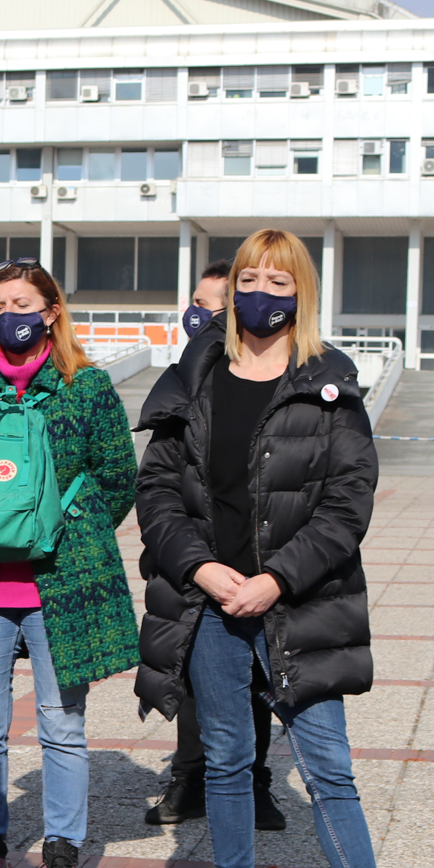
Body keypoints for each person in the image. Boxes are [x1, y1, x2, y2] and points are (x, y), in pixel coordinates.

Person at [134, 229, 434, 868]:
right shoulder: (189, 380)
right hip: (210, 606)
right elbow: (158, 494)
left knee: (329, 769)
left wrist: (275, 578)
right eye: (249, 278)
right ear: (229, 289)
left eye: (278, 278)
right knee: (228, 765)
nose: (262, 291)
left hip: (298, 606)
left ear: (301, 291)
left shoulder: (328, 385)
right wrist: (203, 568)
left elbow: (347, 504)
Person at [0, 259, 138, 868]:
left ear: (50, 311)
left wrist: (66, 520)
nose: (8, 314)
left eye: (22, 302)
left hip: (59, 581)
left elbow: (119, 474)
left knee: (62, 725)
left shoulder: (87, 386)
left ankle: (62, 853)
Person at [148, 259, 283, 831]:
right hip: (187, 553)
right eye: (196, 306)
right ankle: (188, 776)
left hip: (252, 558)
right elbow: (156, 478)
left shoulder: (256, 370)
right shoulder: (185, 375)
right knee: (187, 673)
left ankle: (255, 780)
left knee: (255, 679)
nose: (201, 317)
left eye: (214, 309)